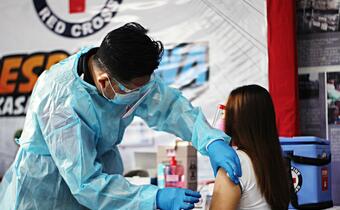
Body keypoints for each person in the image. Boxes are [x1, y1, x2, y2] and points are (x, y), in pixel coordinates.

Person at [0, 22, 241, 210]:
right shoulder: (60, 101)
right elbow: (86, 184)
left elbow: (170, 107)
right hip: (44, 194)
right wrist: (154, 197)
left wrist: (210, 140)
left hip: (101, 190)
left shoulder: (124, 73)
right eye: (136, 91)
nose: (143, 96)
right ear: (105, 83)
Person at [210, 85, 290, 210]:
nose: (224, 119)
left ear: (236, 121)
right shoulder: (277, 161)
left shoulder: (234, 164)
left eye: (229, 113)